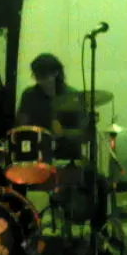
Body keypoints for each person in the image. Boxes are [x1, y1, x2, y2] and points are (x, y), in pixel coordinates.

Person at [15, 53, 108, 231]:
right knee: (14, 177)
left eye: (45, 76)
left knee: (101, 183)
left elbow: (85, 136)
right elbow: (21, 128)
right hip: (39, 159)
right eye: (38, 76)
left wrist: (63, 133)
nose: (41, 81)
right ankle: (23, 228)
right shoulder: (29, 96)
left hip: (69, 157)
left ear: (56, 73)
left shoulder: (74, 97)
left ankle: (98, 233)